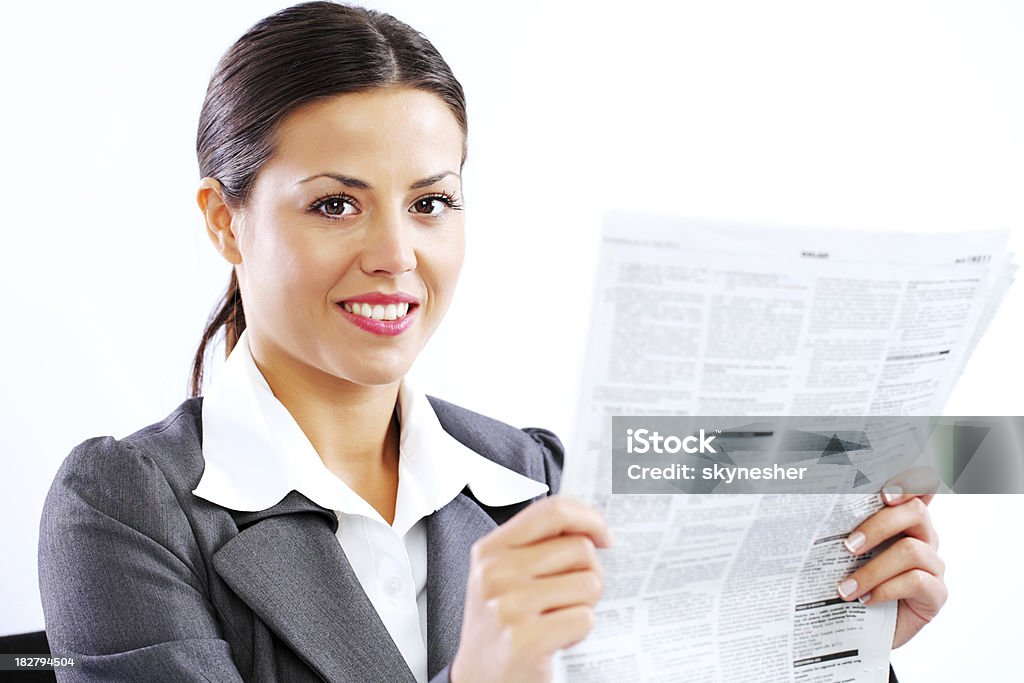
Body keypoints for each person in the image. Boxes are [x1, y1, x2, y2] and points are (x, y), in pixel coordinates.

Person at [37, 2, 946, 682]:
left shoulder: (535, 479)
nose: (396, 256)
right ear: (225, 223)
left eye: (430, 203)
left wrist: (838, 645)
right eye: (335, 204)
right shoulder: (124, 505)